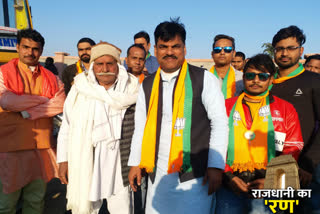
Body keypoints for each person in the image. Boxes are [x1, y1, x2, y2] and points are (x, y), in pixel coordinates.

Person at [128, 18, 228, 214]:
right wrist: (135, 163)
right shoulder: (147, 84)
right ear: (155, 50)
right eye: (164, 47)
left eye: (176, 46)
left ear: (184, 48)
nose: (170, 52)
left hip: (194, 176)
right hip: (158, 174)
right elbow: (140, 125)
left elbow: (219, 123)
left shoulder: (203, 79)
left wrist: (216, 166)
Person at [57, 42, 140, 214]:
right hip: (88, 158)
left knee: (123, 208)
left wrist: (137, 162)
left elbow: (141, 129)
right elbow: (67, 126)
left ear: (117, 65)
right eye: (100, 64)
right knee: (87, 209)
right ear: (93, 67)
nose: (105, 68)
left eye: (110, 63)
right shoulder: (80, 89)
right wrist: (63, 160)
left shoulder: (133, 89)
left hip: (121, 161)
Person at [215, 54, 304, 214]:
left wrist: (272, 179)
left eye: (262, 76)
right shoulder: (224, 106)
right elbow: (213, 144)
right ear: (244, 76)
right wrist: (228, 176)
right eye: (250, 75)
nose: (255, 80)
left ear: (271, 79)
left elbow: (293, 147)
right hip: (230, 184)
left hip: (267, 186)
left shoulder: (285, 109)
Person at [0, 29, 65, 214]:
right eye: (26, 47)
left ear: (42, 50)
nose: (30, 52)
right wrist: (45, 100)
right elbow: (6, 101)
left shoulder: (51, 77)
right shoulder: (3, 73)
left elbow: (60, 103)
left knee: (35, 202)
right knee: (6, 204)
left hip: (41, 149)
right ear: (18, 47)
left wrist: (25, 110)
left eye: (35, 49)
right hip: (9, 148)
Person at [270, 25, 320, 213]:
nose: (284, 53)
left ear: (301, 51)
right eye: (280, 48)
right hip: (271, 164)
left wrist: (309, 163)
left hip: (303, 167)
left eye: (291, 48)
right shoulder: (266, 82)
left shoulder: (313, 82)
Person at [210, 34, 244, 99]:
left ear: (233, 53)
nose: (222, 52)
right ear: (212, 54)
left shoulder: (242, 78)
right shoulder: (204, 77)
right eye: (217, 49)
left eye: (227, 49)